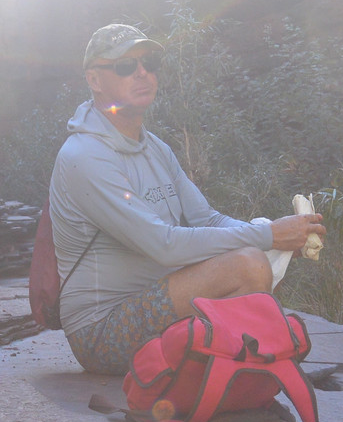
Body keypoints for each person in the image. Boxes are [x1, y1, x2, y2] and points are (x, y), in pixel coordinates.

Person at [49, 23, 326, 374]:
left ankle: (243, 376)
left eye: (149, 62)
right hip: (102, 330)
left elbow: (207, 219)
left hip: (159, 298)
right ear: (94, 79)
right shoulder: (85, 156)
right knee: (247, 265)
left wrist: (279, 236)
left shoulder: (156, 150)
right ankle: (252, 375)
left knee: (256, 258)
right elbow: (165, 246)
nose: (142, 73)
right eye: (125, 66)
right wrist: (269, 235)